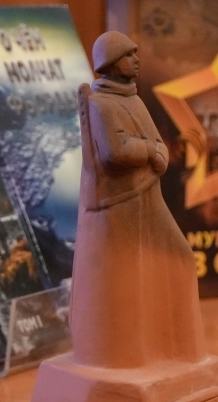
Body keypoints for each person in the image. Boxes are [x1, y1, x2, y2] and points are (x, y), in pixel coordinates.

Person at [70, 31, 205, 369]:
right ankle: (133, 354)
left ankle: (178, 348)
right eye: (128, 55)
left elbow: (158, 143)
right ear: (111, 62)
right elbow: (115, 153)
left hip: (148, 195)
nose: (136, 60)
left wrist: (158, 153)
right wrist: (150, 151)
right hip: (122, 203)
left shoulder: (134, 99)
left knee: (179, 260)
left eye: (135, 53)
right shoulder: (101, 105)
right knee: (129, 280)